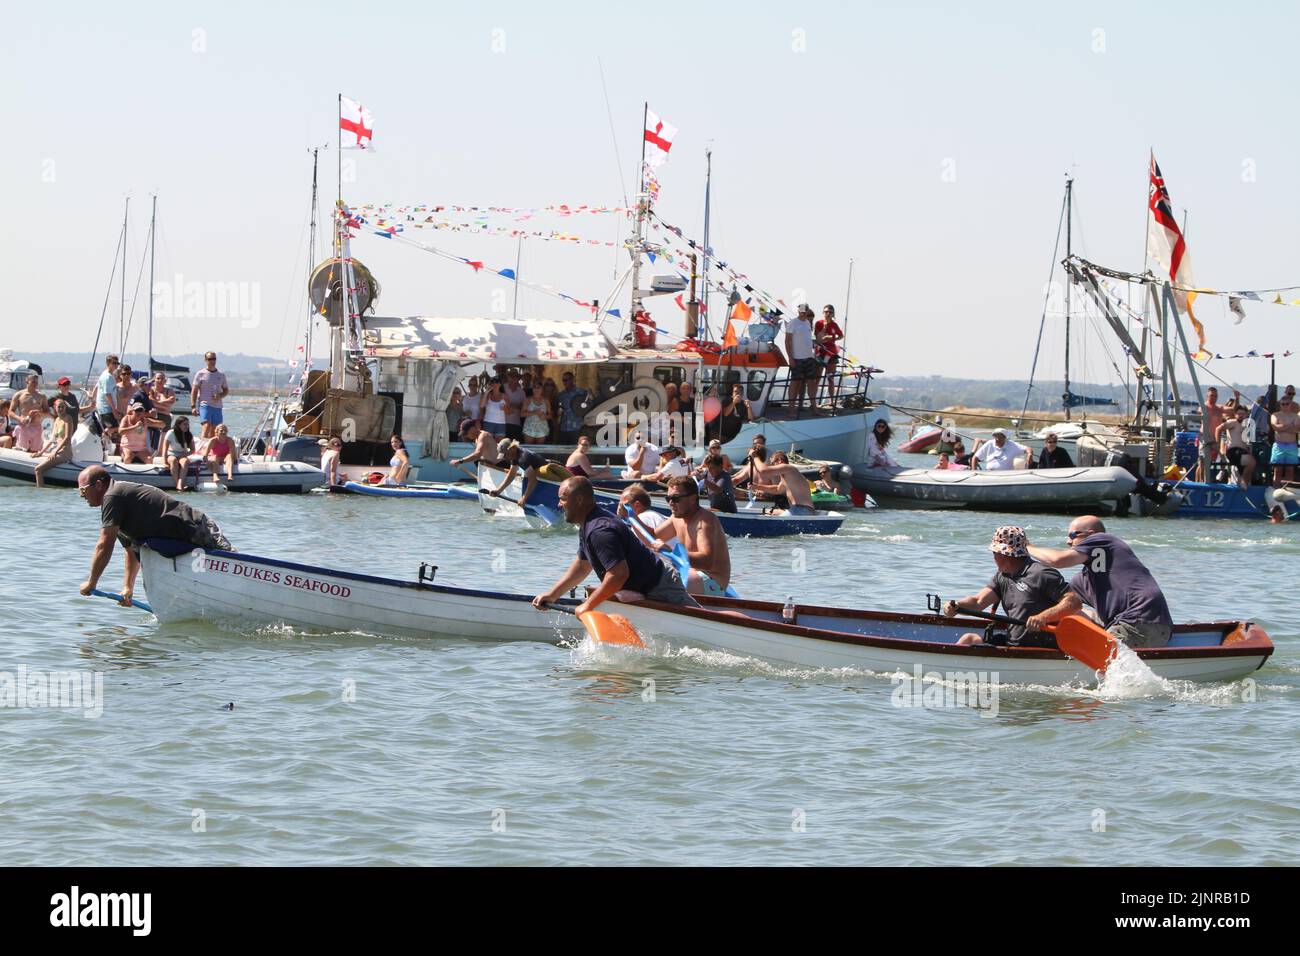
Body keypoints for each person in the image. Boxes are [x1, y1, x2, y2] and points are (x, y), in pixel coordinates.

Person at [531, 476, 693, 615]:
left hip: (660, 585)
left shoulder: (600, 530)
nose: (560, 504)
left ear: (579, 499)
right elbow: (582, 566)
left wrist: (588, 605)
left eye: (563, 498)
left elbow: (618, 575)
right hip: (642, 587)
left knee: (699, 619)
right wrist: (553, 594)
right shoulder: (588, 523)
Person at [77, 466, 232, 608]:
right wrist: (127, 588)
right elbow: (131, 550)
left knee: (230, 570)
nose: (81, 496)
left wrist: (92, 582)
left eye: (83, 491)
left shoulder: (113, 495)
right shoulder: (115, 503)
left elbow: (104, 545)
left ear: (98, 485)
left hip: (197, 528)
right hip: (183, 538)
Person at [1024, 516, 1173, 648]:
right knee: (1070, 614)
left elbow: (1057, 560)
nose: (1068, 541)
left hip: (1141, 623)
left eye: (1073, 535)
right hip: (1135, 626)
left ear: (1092, 535)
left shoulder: (1104, 539)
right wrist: (1040, 617)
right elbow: (1067, 606)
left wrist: (1028, 547)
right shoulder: (1082, 580)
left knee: (1090, 647)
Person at [943, 526, 1071, 648]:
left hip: (1040, 648)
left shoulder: (1041, 574)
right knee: (969, 639)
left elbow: (1073, 602)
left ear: (1004, 554)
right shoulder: (1002, 576)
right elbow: (978, 602)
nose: (993, 556)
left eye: (994, 552)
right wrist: (956, 606)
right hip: (1012, 643)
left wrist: (1043, 617)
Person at [646, 476, 732, 595]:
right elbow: (650, 537)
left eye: (675, 498)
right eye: (668, 498)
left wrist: (671, 550)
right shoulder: (676, 518)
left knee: (655, 580)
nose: (671, 503)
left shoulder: (705, 521)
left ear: (692, 499)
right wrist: (631, 518)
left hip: (712, 581)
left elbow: (707, 562)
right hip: (690, 574)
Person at [749, 446, 817, 515]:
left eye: (773, 464)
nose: (772, 467)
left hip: (801, 509)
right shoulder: (788, 475)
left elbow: (763, 470)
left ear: (779, 460)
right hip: (802, 510)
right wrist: (756, 486)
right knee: (770, 513)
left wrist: (754, 456)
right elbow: (777, 490)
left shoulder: (787, 467)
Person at [485, 438, 548, 508]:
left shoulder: (523, 458)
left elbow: (533, 480)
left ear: (512, 448)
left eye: (505, 455)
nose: (505, 458)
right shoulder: (514, 456)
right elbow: (511, 474)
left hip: (547, 477)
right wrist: (498, 490)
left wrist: (524, 498)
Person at [33, 398, 78, 489]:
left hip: (65, 452)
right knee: (40, 465)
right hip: (58, 451)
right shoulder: (57, 419)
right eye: (59, 407)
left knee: (38, 469)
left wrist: (55, 452)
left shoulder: (68, 418)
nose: (61, 409)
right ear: (55, 407)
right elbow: (52, 439)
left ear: (65, 408)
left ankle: (40, 491)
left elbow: (67, 437)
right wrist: (41, 453)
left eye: (62, 407)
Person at [783, 303, 819, 417]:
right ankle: (791, 410)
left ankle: (814, 409)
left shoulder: (808, 323)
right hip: (797, 358)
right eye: (802, 311)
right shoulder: (793, 323)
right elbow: (787, 341)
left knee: (811, 383)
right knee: (795, 383)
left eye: (805, 311)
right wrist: (790, 357)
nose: (803, 313)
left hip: (809, 357)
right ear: (798, 311)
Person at [617, 483, 677, 548]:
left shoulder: (643, 518)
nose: (620, 508)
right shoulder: (653, 515)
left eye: (623, 505)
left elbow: (647, 544)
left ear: (637, 505)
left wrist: (628, 517)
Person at [1216, 404, 1257, 490]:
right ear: (1235, 414)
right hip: (1233, 451)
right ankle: (1243, 482)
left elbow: (1248, 442)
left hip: (1243, 452)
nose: (1240, 415)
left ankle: (1243, 484)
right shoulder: (1232, 422)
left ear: (1246, 415)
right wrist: (1217, 444)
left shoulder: (1248, 425)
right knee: (1251, 462)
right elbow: (1218, 429)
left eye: (1243, 413)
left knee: (1250, 466)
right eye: (1238, 413)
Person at [191, 351, 229, 440]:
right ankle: (201, 446)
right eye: (210, 359)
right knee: (206, 425)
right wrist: (193, 406)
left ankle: (210, 449)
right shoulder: (200, 374)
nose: (212, 361)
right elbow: (194, 391)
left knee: (215, 429)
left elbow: (226, 390)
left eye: (214, 359)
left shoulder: (221, 375)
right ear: (205, 360)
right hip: (204, 404)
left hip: (217, 406)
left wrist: (220, 396)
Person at [1201, 386, 1238, 475]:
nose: (1213, 398)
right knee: (1202, 463)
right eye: (1211, 395)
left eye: (1215, 396)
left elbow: (1233, 410)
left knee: (1211, 461)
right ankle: (1199, 482)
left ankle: (1211, 479)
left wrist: (1237, 398)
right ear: (1207, 395)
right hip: (1205, 438)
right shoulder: (1203, 407)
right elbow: (1199, 411)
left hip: (1215, 438)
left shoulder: (1219, 408)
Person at [1269, 386, 1299, 492]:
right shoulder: (1275, 415)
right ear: (1280, 405)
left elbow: (1296, 430)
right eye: (1283, 404)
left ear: (1290, 404)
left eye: (1287, 404)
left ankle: (1288, 491)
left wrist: (1282, 427)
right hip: (1279, 445)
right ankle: (1275, 490)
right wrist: (1288, 425)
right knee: (1278, 470)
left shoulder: (1295, 416)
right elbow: (1275, 427)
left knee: (1290, 470)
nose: (1285, 406)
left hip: (1291, 445)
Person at [10, 373, 49, 453]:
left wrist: (39, 413)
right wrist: (20, 418)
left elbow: (47, 412)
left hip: (37, 427)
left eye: (36, 382)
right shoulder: (19, 395)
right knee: (22, 450)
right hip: (23, 426)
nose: (35, 384)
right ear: (27, 382)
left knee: (34, 451)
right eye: (33, 382)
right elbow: (10, 412)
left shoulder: (42, 396)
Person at [814, 303, 844, 405]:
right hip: (820, 353)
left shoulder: (834, 325)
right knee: (817, 378)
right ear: (823, 312)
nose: (828, 314)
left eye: (830, 312)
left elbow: (841, 336)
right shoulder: (818, 323)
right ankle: (813, 401)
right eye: (826, 312)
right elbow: (818, 338)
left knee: (830, 378)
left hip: (831, 354)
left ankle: (832, 401)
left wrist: (832, 337)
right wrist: (824, 328)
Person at [117, 397, 161, 464]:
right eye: (137, 410)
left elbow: (163, 425)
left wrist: (154, 416)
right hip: (127, 447)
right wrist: (135, 427)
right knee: (127, 459)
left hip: (141, 449)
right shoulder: (126, 419)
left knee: (149, 460)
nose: (139, 412)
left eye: (141, 410)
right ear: (132, 411)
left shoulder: (146, 420)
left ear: (143, 412)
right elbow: (120, 431)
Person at [91, 354, 121, 441]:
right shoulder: (108, 377)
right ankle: (104, 435)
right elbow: (107, 395)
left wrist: (92, 395)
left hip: (104, 408)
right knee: (117, 427)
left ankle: (105, 440)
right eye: (114, 363)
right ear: (108, 363)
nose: (116, 365)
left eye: (117, 363)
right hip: (106, 408)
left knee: (116, 429)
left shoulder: (104, 374)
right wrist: (114, 410)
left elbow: (97, 385)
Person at [164, 417, 199, 491]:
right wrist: (165, 462)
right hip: (171, 453)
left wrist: (185, 455)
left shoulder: (189, 435)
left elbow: (193, 450)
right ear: (178, 425)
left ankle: (180, 483)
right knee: (173, 461)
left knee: (185, 462)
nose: (187, 426)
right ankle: (178, 484)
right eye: (184, 424)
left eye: (187, 424)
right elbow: (165, 448)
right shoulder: (171, 433)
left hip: (183, 454)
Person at [555, 372, 589, 446]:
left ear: (572, 379)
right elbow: (558, 410)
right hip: (564, 427)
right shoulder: (561, 395)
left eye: (567, 379)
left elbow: (588, 407)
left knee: (575, 449)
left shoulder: (582, 392)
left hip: (577, 427)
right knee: (562, 451)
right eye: (564, 380)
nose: (565, 382)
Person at [502, 370, 526, 441]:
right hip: (502, 422)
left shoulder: (522, 392)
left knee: (514, 447)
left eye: (515, 377)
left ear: (518, 379)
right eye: (511, 376)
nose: (513, 378)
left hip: (516, 423)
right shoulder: (502, 388)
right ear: (508, 377)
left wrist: (513, 406)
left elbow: (524, 407)